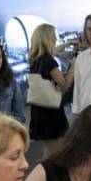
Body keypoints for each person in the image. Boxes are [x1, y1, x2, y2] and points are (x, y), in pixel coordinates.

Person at [27, 24, 74, 158]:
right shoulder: (49, 61)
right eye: (53, 37)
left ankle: (46, 176)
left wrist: (68, 43)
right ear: (46, 39)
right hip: (51, 111)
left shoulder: (35, 58)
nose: (55, 40)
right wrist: (73, 68)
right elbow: (64, 86)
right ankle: (47, 177)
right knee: (54, 153)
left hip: (39, 110)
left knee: (48, 149)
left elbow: (54, 51)